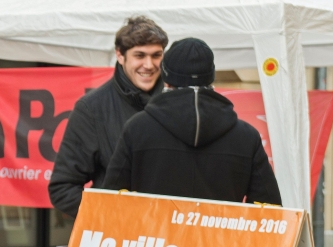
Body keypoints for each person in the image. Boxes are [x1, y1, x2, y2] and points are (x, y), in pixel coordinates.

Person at [99, 38, 282, 205]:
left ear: (166, 79)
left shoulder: (137, 129)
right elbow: (268, 212)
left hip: (154, 240)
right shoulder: (247, 137)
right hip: (221, 241)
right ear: (211, 77)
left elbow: (110, 202)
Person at [47, 16, 168, 219]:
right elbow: (63, 189)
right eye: (140, 55)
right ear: (120, 55)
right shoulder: (92, 109)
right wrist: (114, 215)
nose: (149, 65)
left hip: (172, 239)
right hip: (117, 240)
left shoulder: (175, 102)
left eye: (156, 55)